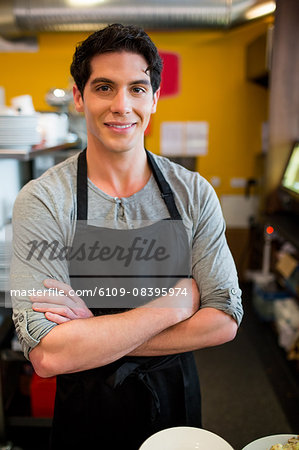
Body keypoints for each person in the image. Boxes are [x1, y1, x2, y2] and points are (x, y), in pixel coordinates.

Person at [10, 23, 243, 450]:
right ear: (79, 97)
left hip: (175, 403)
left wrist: (93, 335)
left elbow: (224, 319)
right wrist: (174, 305)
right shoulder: (43, 200)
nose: (122, 105)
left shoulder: (193, 193)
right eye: (104, 87)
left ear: (154, 97)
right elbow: (48, 355)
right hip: (86, 408)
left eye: (137, 88)